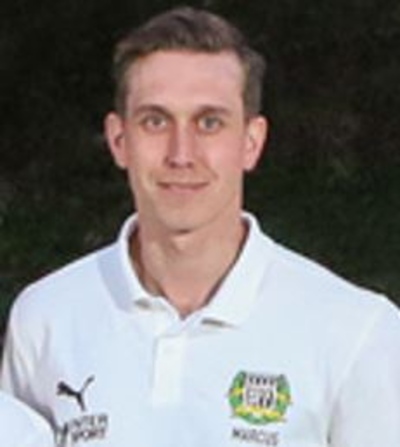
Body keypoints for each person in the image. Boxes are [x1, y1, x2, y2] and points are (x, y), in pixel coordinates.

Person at [1, 6, 400, 447]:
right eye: (155, 121)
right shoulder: (44, 317)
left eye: (209, 123)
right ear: (119, 140)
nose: (181, 154)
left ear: (251, 142)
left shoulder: (357, 330)